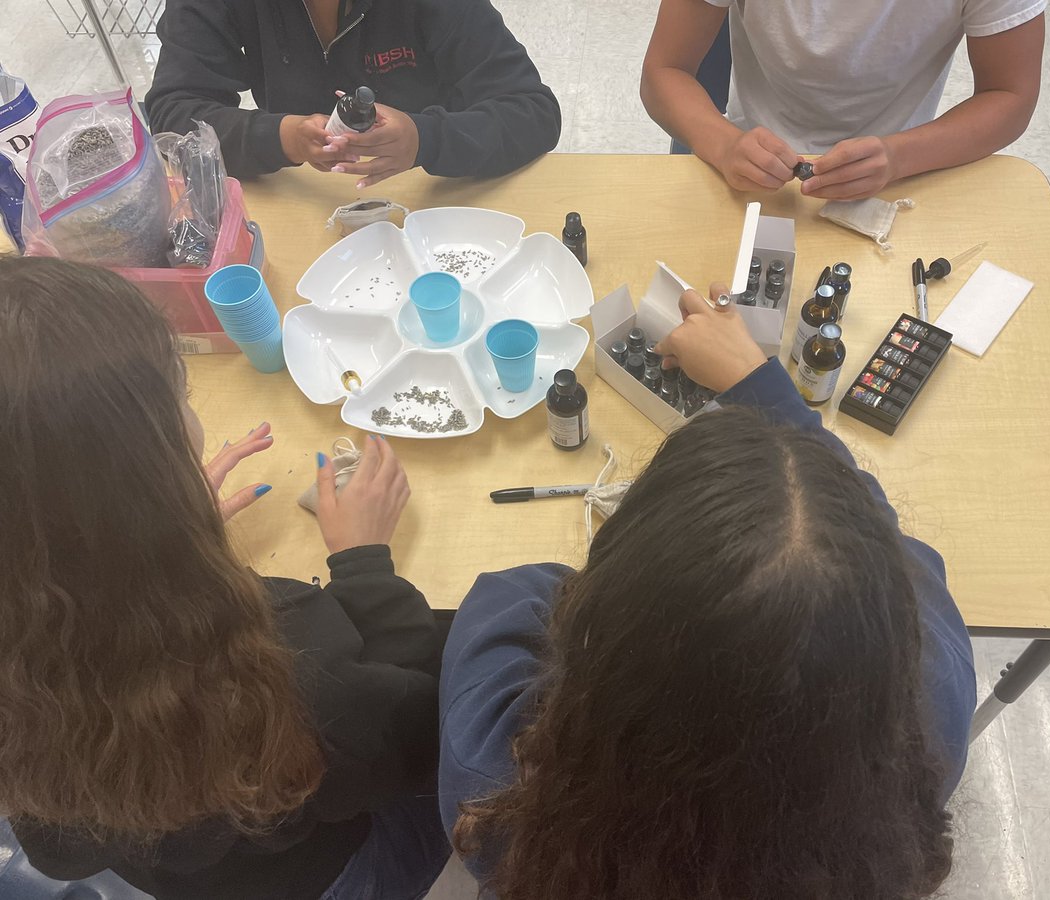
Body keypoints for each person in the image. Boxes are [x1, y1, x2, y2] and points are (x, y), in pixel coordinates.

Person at [438, 284, 976, 899]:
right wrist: (762, 384)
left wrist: (625, 586)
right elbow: (889, 543)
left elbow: (510, 597)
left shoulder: (502, 784)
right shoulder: (935, 706)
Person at [0, 256, 449, 900]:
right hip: (330, 874)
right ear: (143, 455)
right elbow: (413, 737)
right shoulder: (278, 651)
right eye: (178, 392)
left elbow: (57, 855)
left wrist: (146, 537)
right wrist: (365, 563)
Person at [641, 0, 1046, 198]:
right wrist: (725, 143)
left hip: (907, 169)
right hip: (753, 166)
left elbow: (1010, 95)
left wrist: (900, 157)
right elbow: (665, 72)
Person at [146, 0, 561, 186]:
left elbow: (533, 112)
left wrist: (424, 139)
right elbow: (172, 110)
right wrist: (280, 138)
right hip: (307, 197)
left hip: (432, 197)